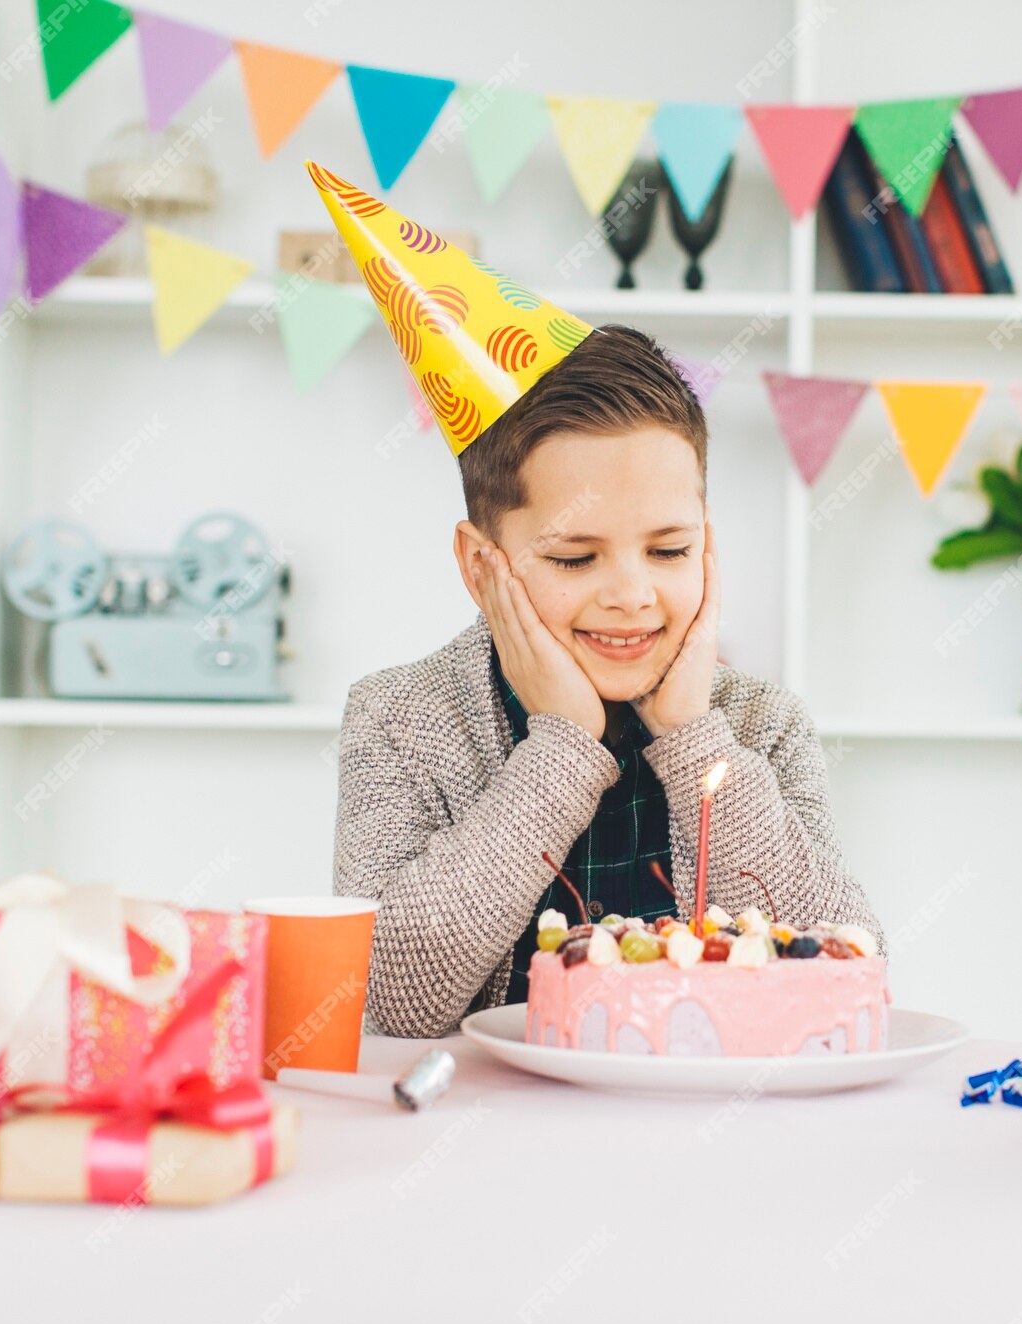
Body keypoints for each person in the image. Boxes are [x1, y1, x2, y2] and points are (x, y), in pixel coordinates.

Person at [315, 166, 882, 1039]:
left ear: (709, 543)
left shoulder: (761, 724)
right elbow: (386, 1003)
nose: (632, 594)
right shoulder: (400, 721)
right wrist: (564, 750)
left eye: (670, 550)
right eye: (577, 555)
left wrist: (695, 740)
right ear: (481, 565)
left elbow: (845, 971)